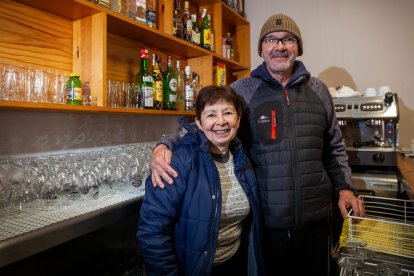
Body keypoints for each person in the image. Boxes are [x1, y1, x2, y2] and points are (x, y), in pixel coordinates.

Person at [150, 14, 365, 275]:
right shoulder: (243, 89)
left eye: (288, 39)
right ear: (261, 49)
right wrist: (164, 144)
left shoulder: (318, 90)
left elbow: (334, 146)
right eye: (271, 40)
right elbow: (210, 126)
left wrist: (345, 188)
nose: (280, 46)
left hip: (316, 220)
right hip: (265, 222)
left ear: (298, 47)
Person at [137, 85, 264, 276]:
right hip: (194, 268)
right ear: (198, 123)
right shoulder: (180, 160)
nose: (221, 122)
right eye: (211, 115)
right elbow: (152, 230)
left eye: (228, 113)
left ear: (238, 119)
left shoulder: (242, 158)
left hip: (236, 262)